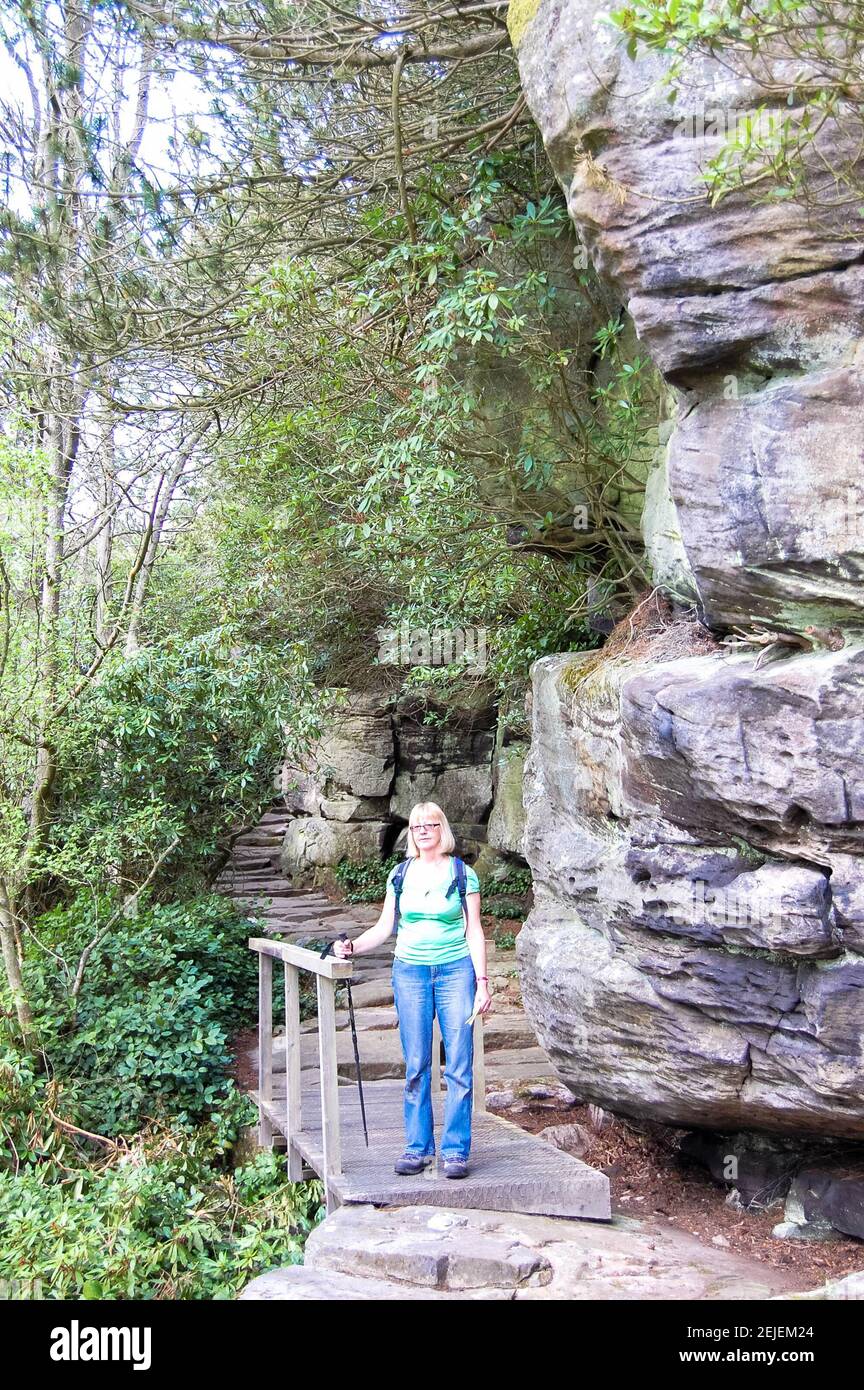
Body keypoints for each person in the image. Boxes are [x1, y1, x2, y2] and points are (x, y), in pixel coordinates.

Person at [333, 801, 491, 1178]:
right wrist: (352, 945)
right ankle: (417, 1148)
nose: (422, 830)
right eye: (416, 826)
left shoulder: (462, 873)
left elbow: (474, 930)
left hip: (455, 972)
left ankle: (454, 1152)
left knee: (458, 1065)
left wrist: (482, 982)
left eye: (430, 824)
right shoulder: (399, 874)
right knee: (417, 1064)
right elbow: (385, 926)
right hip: (410, 974)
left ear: (442, 830)